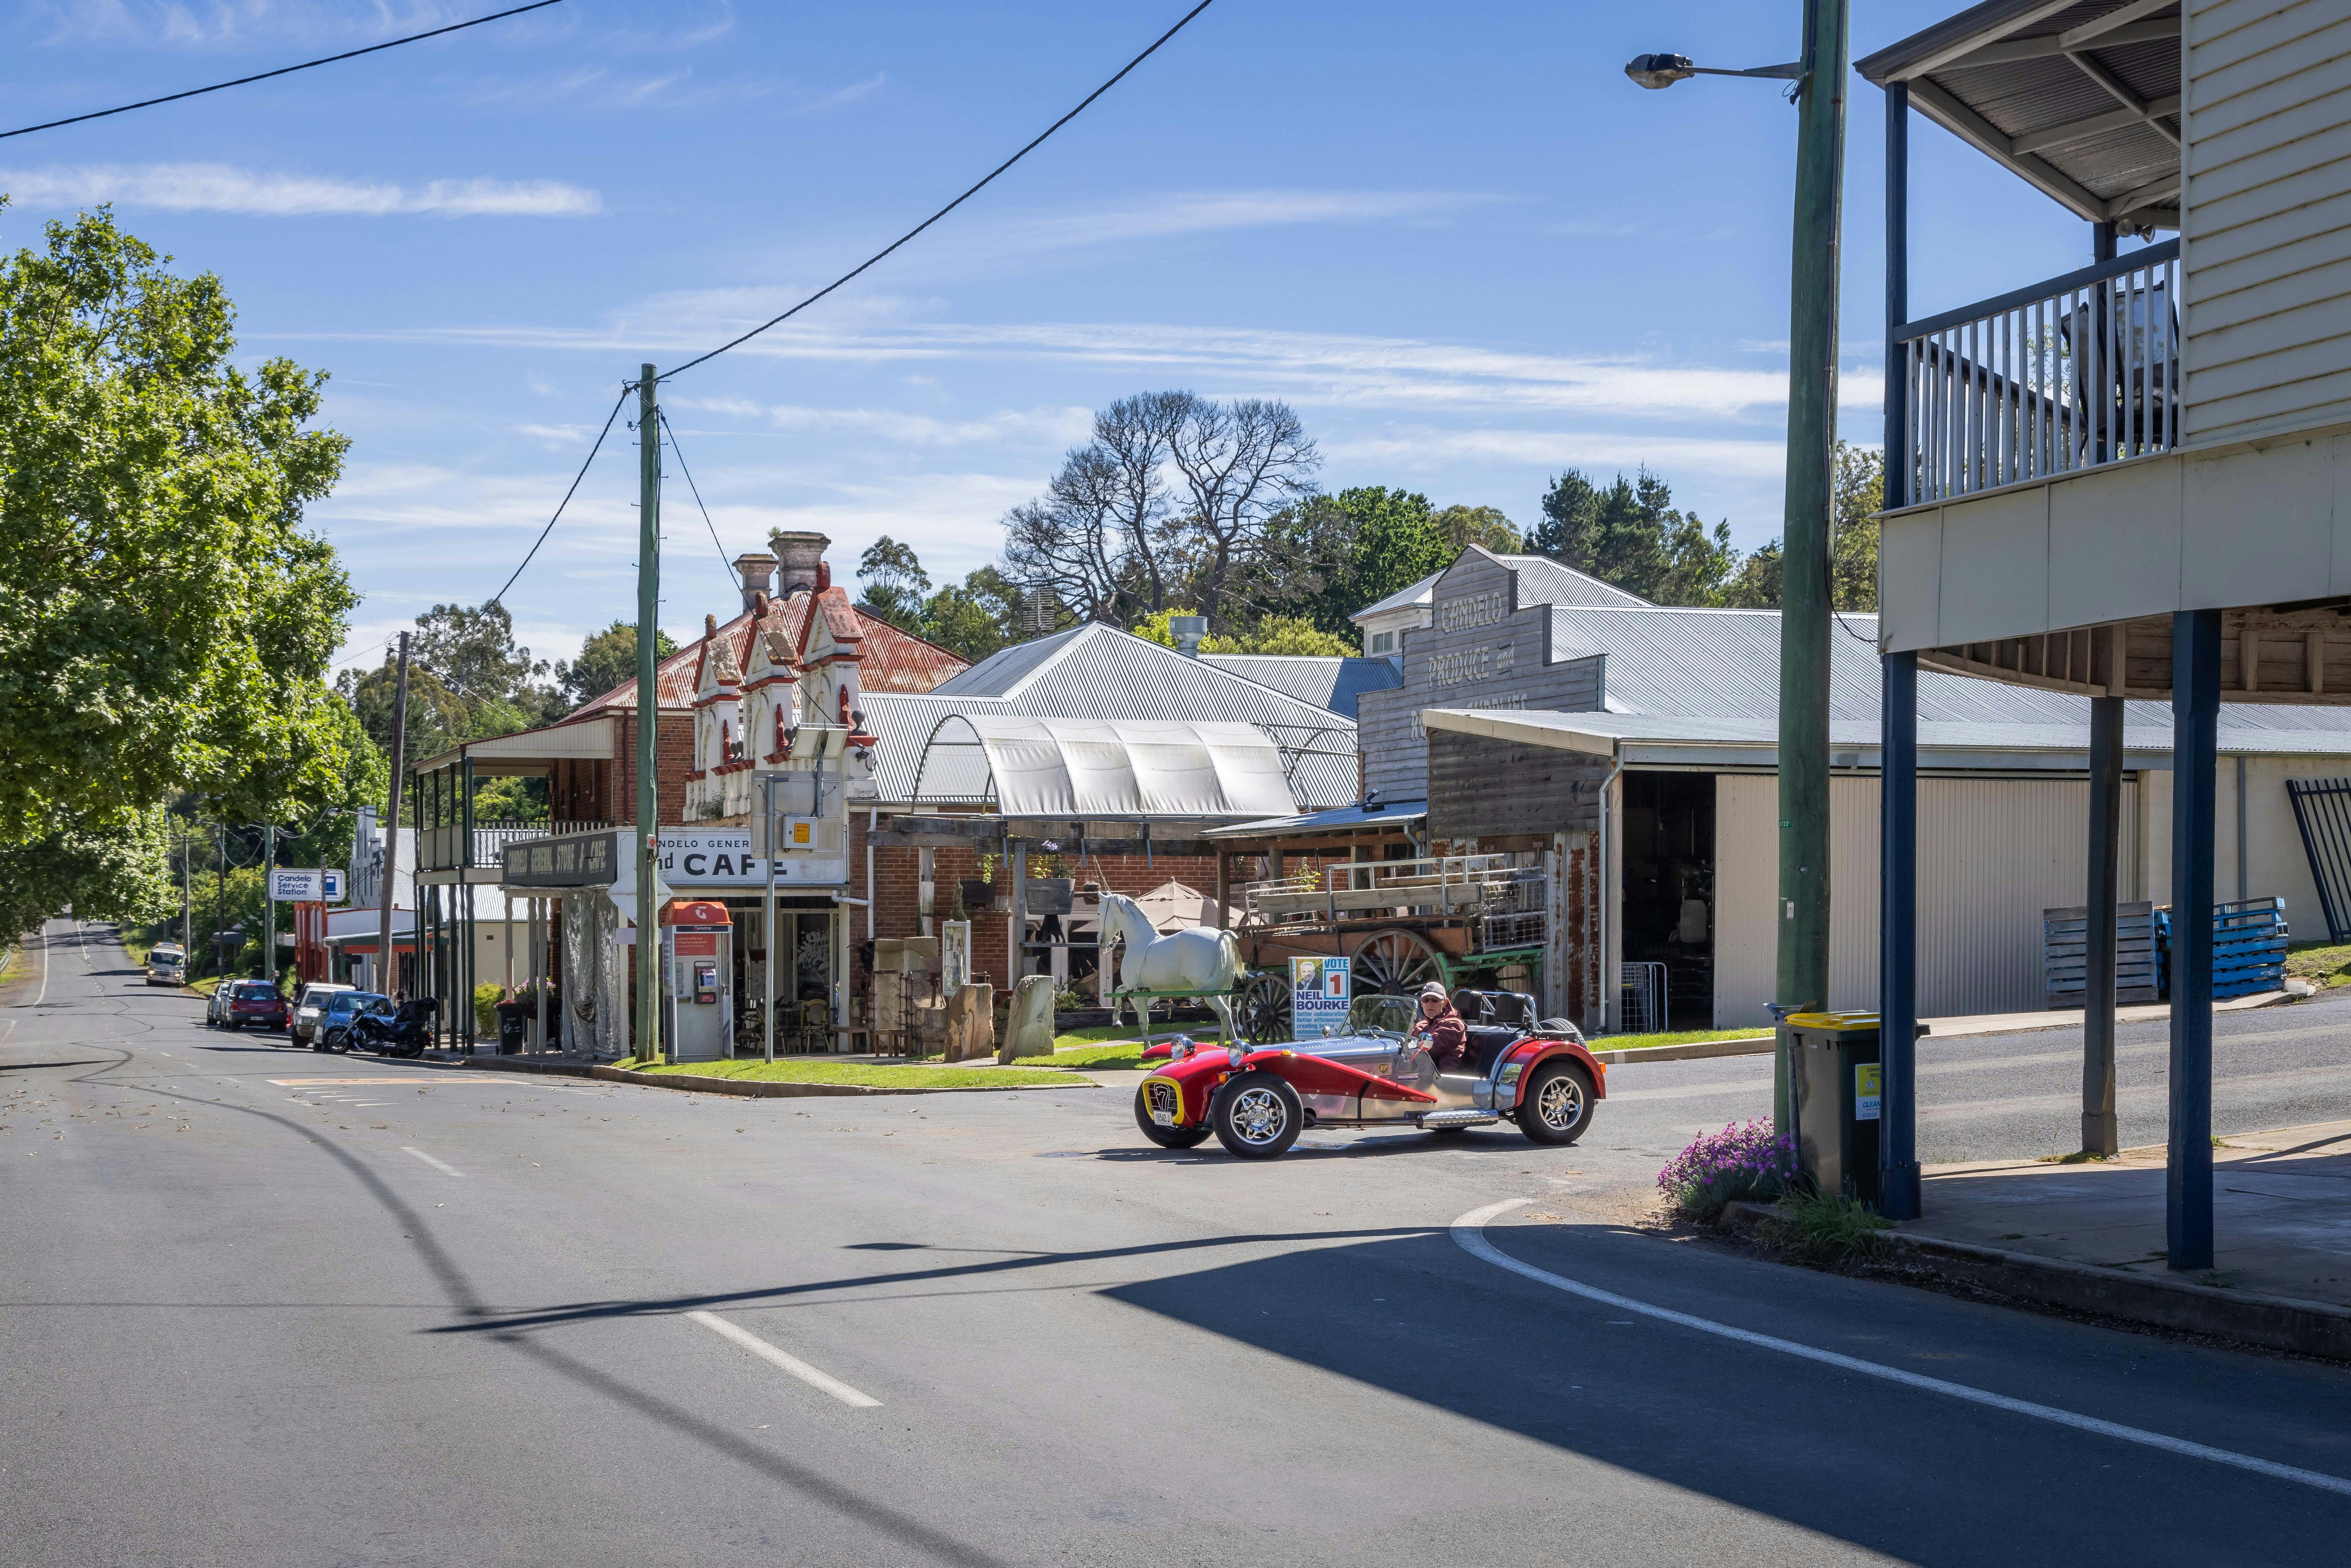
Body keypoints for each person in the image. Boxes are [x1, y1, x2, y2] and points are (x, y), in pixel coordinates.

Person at [1407, 981, 1468, 1070]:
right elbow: (1406, 1047)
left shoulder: (1454, 1025)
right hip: (1420, 1074)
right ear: (1421, 1003)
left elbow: (1428, 1049)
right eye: (1426, 1000)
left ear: (1445, 1002)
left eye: (1435, 1000)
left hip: (1441, 1080)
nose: (1430, 1004)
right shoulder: (1421, 1025)